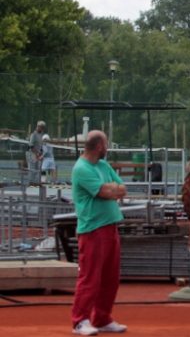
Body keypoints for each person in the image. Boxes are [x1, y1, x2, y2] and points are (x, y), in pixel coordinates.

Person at [71, 131, 128, 335]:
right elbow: (108, 192)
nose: (107, 147)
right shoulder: (81, 168)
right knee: (90, 277)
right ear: (99, 147)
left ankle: (103, 318)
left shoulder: (103, 166)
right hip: (93, 230)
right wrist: (112, 189)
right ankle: (80, 320)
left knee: (110, 278)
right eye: (106, 144)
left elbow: (121, 189)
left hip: (110, 226)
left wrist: (112, 189)